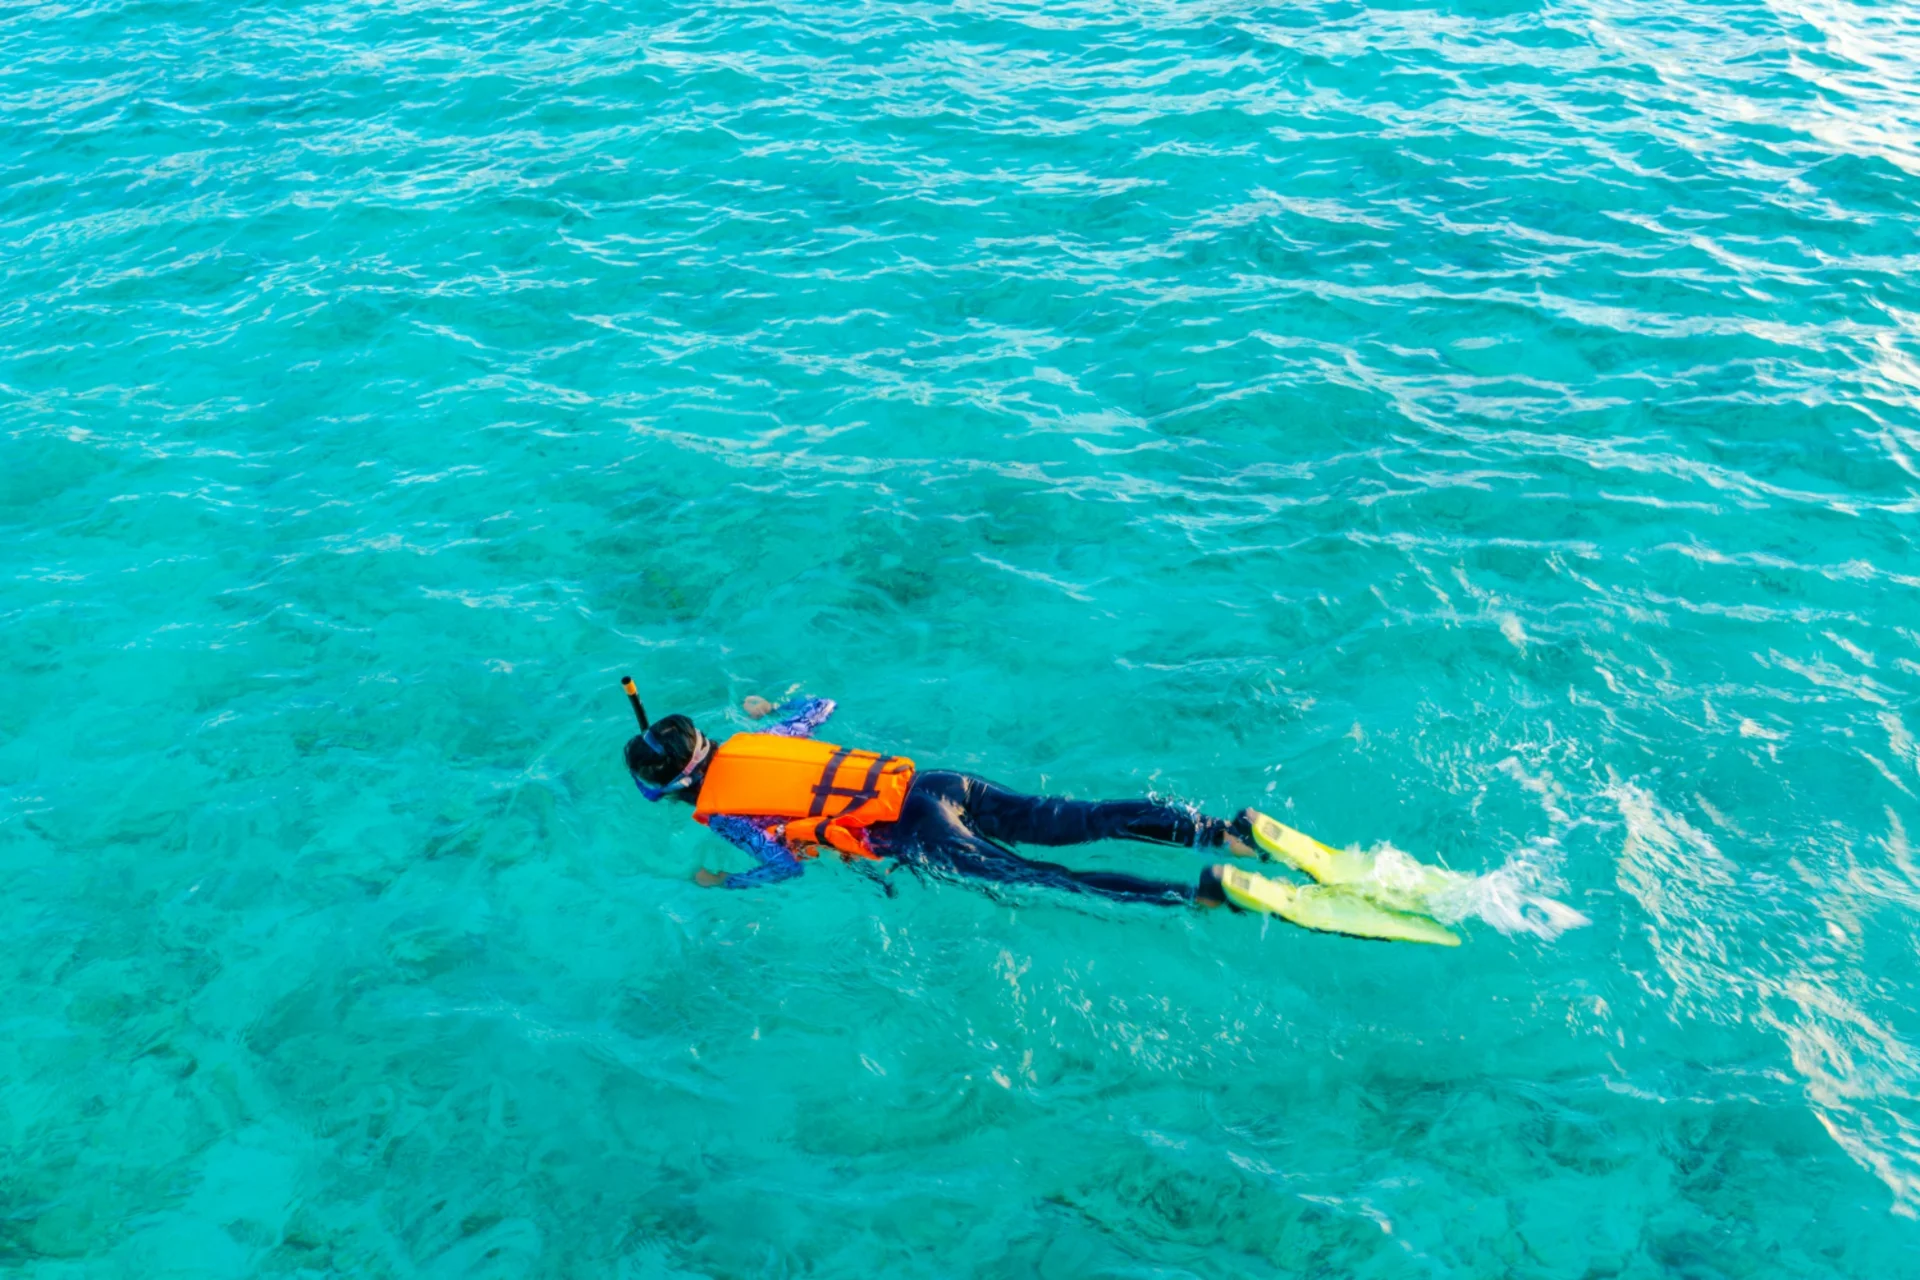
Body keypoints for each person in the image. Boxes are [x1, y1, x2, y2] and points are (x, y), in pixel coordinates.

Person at [621, 684, 1257, 909]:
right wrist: (772, 706)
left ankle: (1195, 894)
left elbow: (785, 864)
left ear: (672, 789)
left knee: (1052, 879)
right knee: (1079, 818)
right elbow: (819, 706)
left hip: (920, 834)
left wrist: (722, 885)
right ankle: (1218, 832)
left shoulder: (726, 814)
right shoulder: (760, 738)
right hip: (935, 783)